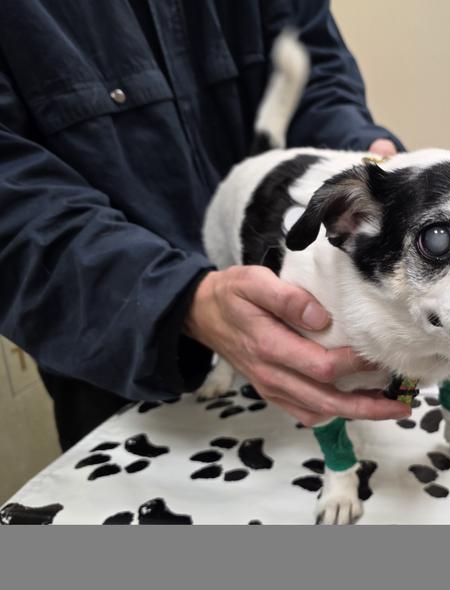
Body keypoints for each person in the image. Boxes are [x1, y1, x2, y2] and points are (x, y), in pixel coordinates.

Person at [0, 0, 412, 451]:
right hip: (118, 350)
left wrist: (365, 157)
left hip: (306, 329)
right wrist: (174, 298)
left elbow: (318, 71)